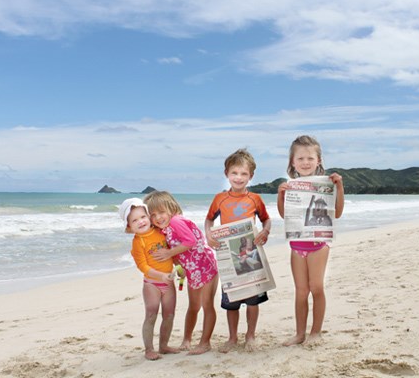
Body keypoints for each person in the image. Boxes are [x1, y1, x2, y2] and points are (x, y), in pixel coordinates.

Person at [276, 135, 344, 346]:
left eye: (310, 158)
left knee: (316, 287)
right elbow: (285, 216)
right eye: (300, 159)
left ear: (319, 161)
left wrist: (339, 186)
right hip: (297, 246)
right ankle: (299, 334)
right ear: (292, 163)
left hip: (318, 246)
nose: (305, 163)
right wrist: (280, 195)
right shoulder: (291, 186)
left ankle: (316, 332)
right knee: (301, 291)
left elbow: (337, 213)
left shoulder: (328, 184)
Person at [205, 148, 272, 353]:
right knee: (231, 301)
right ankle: (232, 337)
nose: (239, 177)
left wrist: (265, 232)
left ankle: (250, 336)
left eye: (244, 174)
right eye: (234, 173)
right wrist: (209, 235)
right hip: (228, 256)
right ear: (227, 174)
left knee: (253, 299)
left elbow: (266, 219)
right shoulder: (219, 199)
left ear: (251, 176)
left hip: (251, 253)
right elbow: (209, 219)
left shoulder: (255, 199)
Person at [144, 191, 219, 355]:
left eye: (162, 212)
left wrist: (168, 254)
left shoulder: (176, 221)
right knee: (193, 306)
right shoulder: (165, 230)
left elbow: (190, 241)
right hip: (192, 270)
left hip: (206, 266)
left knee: (207, 305)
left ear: (171, 208)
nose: (158, 218)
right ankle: (187, 339)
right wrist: (180, 269)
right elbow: (177, 253)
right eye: (153, 215)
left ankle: (205, 343)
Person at [118, 198, 181, 360]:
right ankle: (149, 349)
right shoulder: (138, 243)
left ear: (149, 216)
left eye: (143, 217)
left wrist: (179, 267)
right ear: (129, 226)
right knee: (151, 314)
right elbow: (143, 267)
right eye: (134, 220)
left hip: (169, 282)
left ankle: (164, 345)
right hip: (152, 284)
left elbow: (172, 251)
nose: (140, 222)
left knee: (169, 314)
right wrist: (161, 276)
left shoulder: (161, 232)